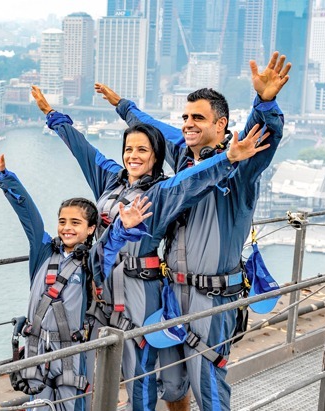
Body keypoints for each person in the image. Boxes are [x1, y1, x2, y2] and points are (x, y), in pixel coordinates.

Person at [31, 87, 271, 411]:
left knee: (143, 376)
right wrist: (53, 116)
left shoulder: (159, 194)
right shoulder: (110, 180)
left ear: (155, 157)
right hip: (102, 290)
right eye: (129, 149)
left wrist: (227, 159)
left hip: (140, 291)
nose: (133, 156)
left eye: (142, 150)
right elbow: (82, 148)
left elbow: (188, 182)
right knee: (81, 368)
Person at [94, 51, 292, 411]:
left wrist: (264, 102)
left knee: (208, 386)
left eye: (198, 118)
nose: (188, 124)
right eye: (185, 117)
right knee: (172, 382)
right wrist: (122, 105)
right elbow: (148, 124)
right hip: (172, 292)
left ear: (221, 124)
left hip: (211, 297)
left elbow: (263, 137)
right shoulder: (184, 156)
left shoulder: (240, 164)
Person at [0, 144, 151, 411]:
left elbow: (112, 241)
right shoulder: (43, 252)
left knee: (73, 406)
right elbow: (28, 215)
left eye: (75, 223)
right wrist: (3, 176)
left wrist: (123, 225)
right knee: (38, 406)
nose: (67, 228)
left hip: (72, 355)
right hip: (36, 351)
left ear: (91, 228)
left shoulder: (92, 261)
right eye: (62, 221)